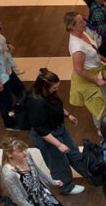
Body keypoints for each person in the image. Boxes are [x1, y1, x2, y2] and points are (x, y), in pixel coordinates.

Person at [24, 68, 89, 196]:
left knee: (74, 153)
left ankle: (90, 174)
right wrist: (58, 144)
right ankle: (66, 187)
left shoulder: (48, 94)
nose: (56, 90)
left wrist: (68, 115)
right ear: (44, 87)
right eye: (54, 87)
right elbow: (41, 130)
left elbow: (56, 104)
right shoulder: (35, 103)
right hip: (47, 136)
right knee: (58, 163)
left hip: (59, 129)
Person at [64, 11, 106, 129]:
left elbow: (92, 49)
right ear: (72, 26)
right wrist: (97, 80)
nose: (84, 22)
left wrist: (103, 59)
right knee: (98, 104)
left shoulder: (82, 32)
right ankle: (102, 128)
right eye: (80, 22)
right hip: (90, 77)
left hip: (97, 71)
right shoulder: (77, 48)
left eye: (82, 19)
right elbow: (79, 69)